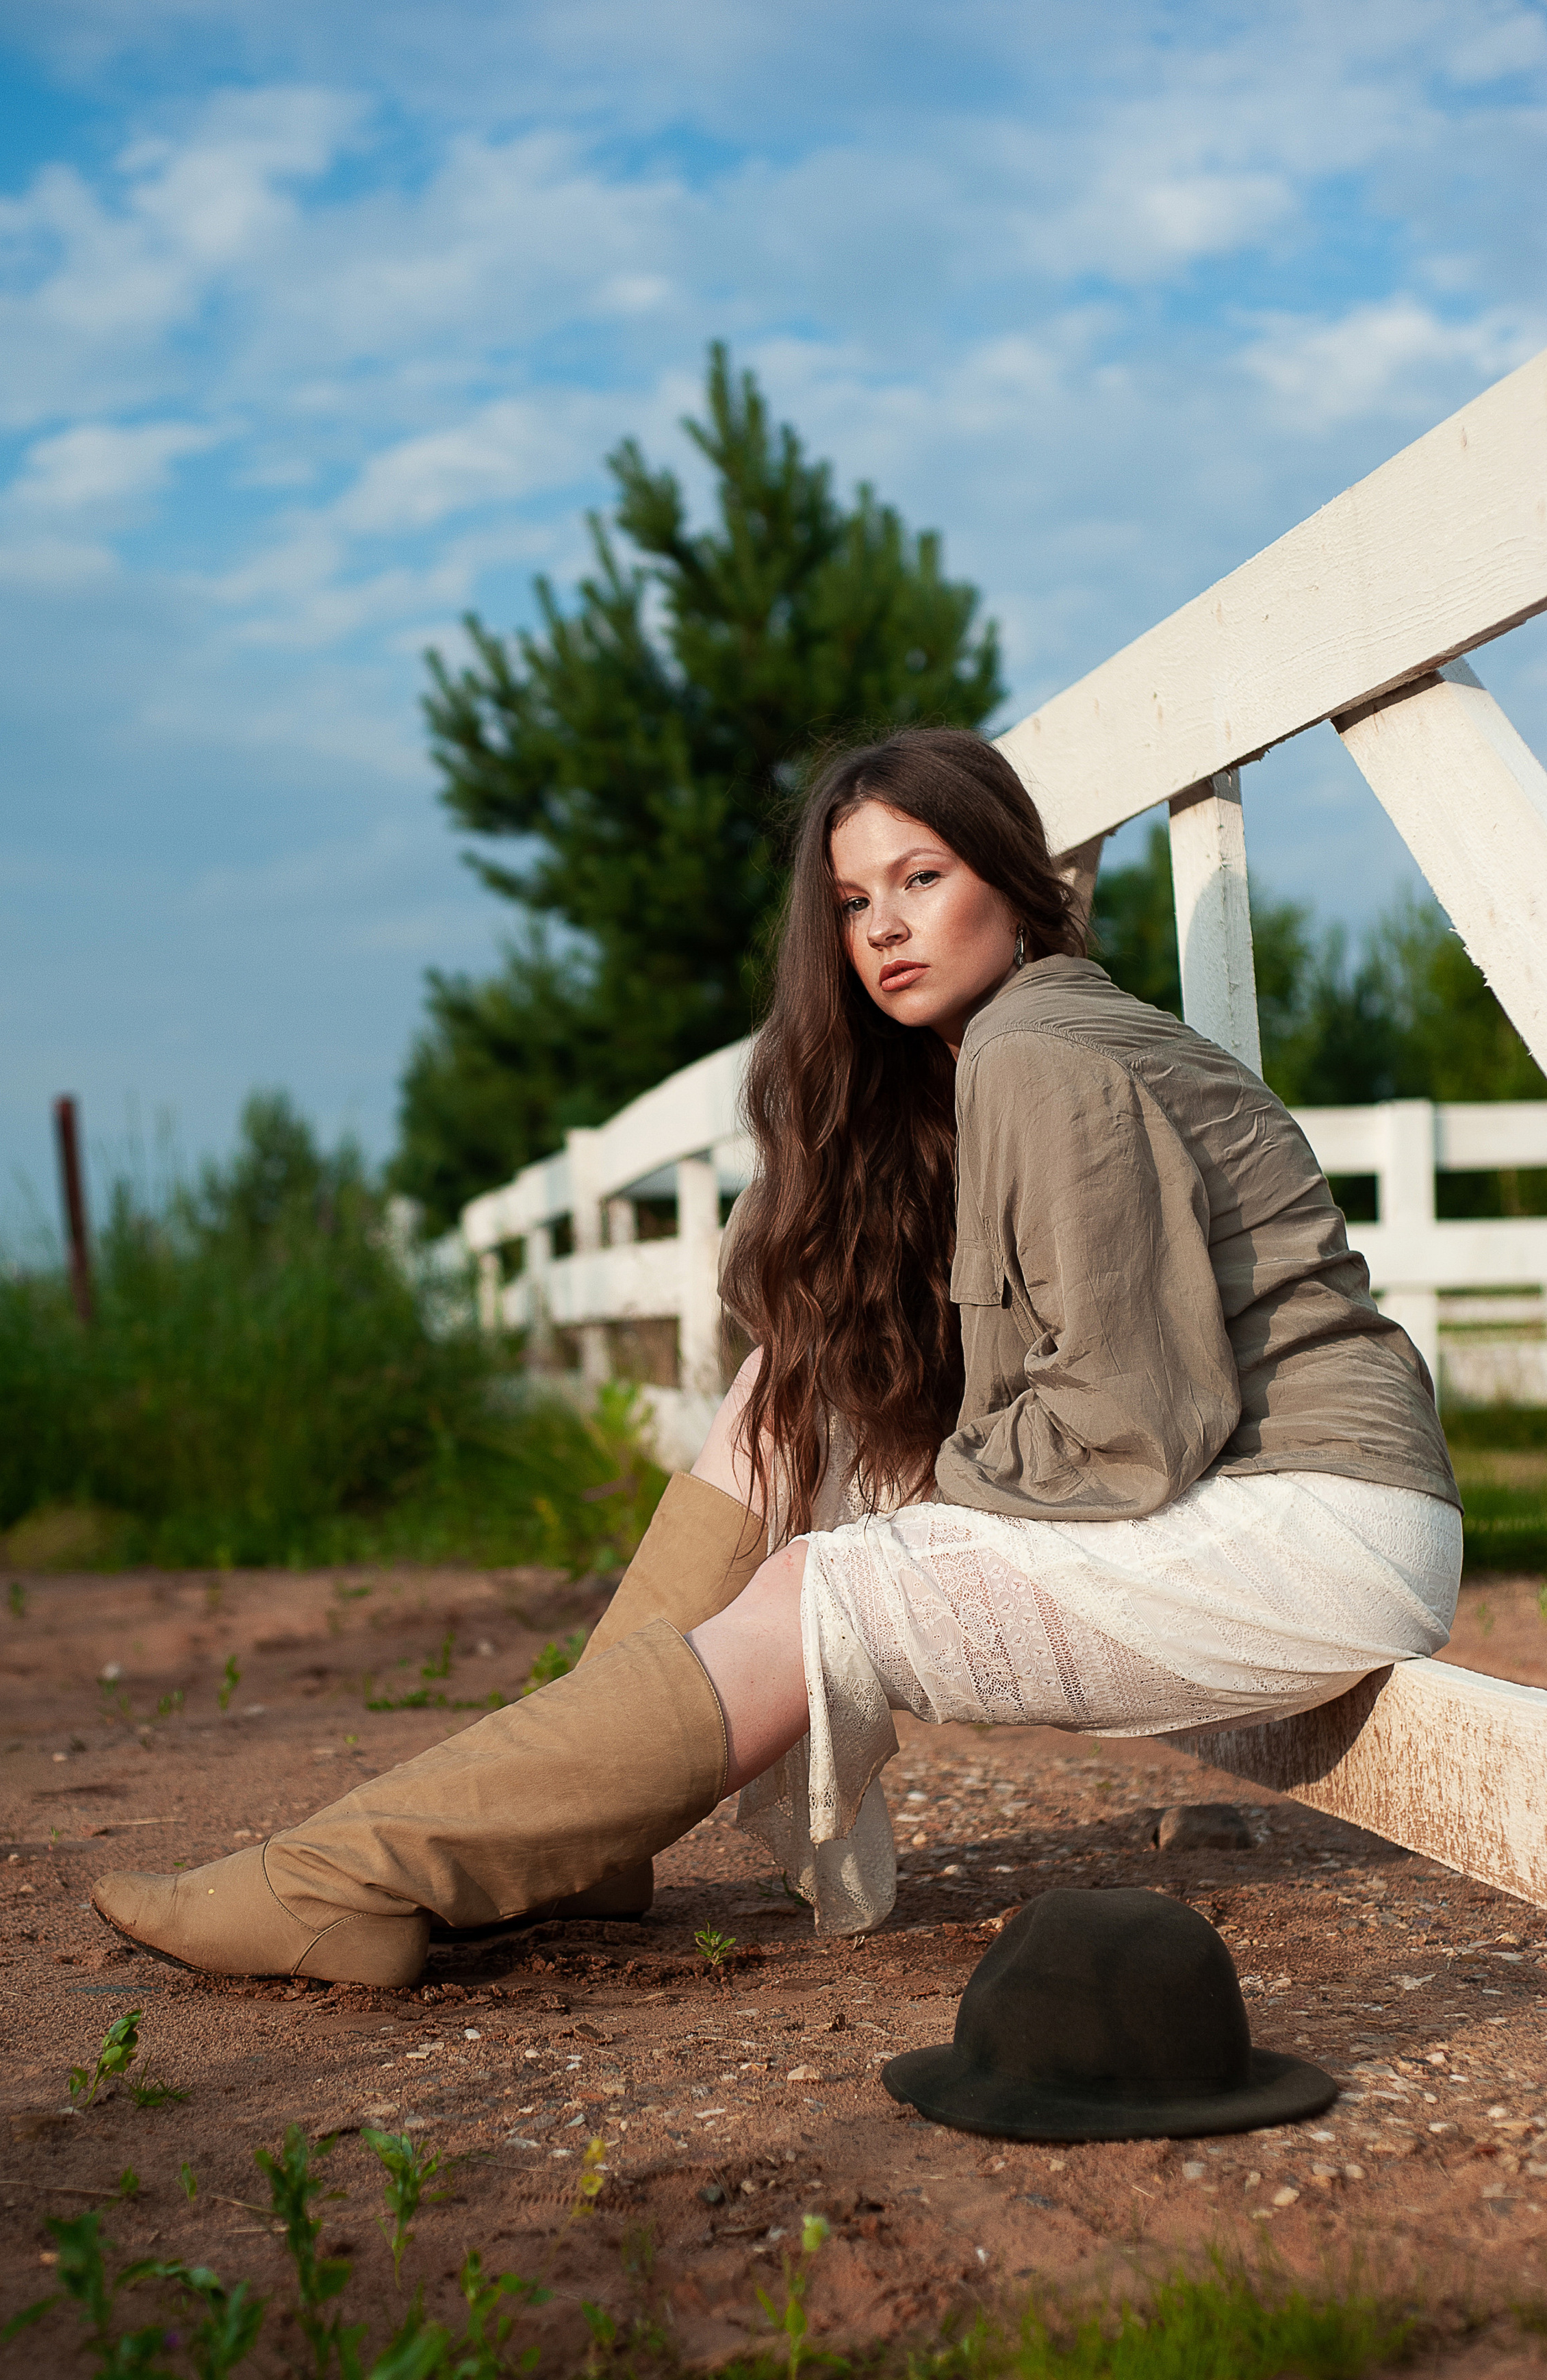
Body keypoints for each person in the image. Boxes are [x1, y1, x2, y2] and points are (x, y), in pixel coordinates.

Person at [92, 727, 1461, 1985]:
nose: (884, 930)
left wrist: (917, 1503)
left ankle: (352, 1870)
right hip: (1267, 1502)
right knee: (785, 1384)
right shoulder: (1007, 1045)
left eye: (920, 878)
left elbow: (1125, 1426)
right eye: (856, 902)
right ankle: (581, 1839)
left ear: (1008, 877)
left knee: (829, 1588)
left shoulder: (1037, 1050)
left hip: (1315, 1525)